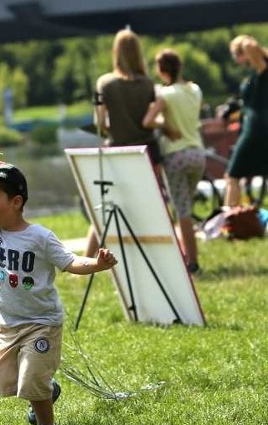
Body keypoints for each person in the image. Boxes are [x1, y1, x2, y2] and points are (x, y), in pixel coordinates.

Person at [0, 138, 118, 425]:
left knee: (31, 379)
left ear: (15, 202)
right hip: (8, 324)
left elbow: (70, 262)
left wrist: (97, 264)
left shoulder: (39, 237)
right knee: (3, 382)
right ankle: (47, 388)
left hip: (41, 323)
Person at [84, 28, 163, 257]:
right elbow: (152, 119)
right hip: (148, 153)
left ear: (115, 52)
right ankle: (153, 253)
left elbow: (99, 122)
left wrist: (114, 126)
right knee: (150, 206)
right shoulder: (148, 84)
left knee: (105, 207)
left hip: (117, 151)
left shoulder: (105, 83)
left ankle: (88, 260)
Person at [143, 49, 205, 274]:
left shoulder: (165, 95)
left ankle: (192, 262)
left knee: (182, 210)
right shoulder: (195, 89)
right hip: (198, 154)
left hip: (176, 156)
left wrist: (166, 126)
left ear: (161, 70)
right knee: (186, 205)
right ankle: (186, 253)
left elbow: (148, 120)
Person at [224, 35, 268, 207]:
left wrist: (245, 44)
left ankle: (229, 221)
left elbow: (251, 49)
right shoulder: (253, 74)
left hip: (255, 130)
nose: (236, 60)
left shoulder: (262, 70)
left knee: (232, 175)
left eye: (236, 55)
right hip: (255, 127)